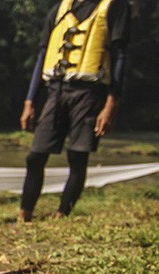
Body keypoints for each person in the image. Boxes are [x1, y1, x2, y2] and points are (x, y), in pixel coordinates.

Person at [18, 0, 131, 222]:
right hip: (56, 90)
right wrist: (30, 101)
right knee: (35, 156)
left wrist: (111, 104)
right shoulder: (61, 8)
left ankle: (62, 215)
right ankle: (24, 215)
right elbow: (43, 55)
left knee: (77, 156)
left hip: (90, 92)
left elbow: (120, 57)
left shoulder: (114, 6)